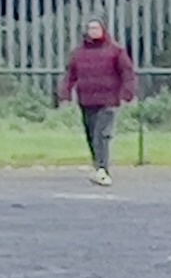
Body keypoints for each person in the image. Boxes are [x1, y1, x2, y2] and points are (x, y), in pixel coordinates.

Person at [56, 18, 137, 186]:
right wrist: (65, 92)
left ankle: (102, 168)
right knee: (92, 135)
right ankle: (98, 165)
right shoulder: (79, 53)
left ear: (103, 30)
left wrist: (127, 92)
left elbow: (127, 72)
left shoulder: (115, 51)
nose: (92, 31)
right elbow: (70, 74)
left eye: (96, 28)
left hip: (108, 100)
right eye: (90, 28)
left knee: (102, 134)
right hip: (86, 100)